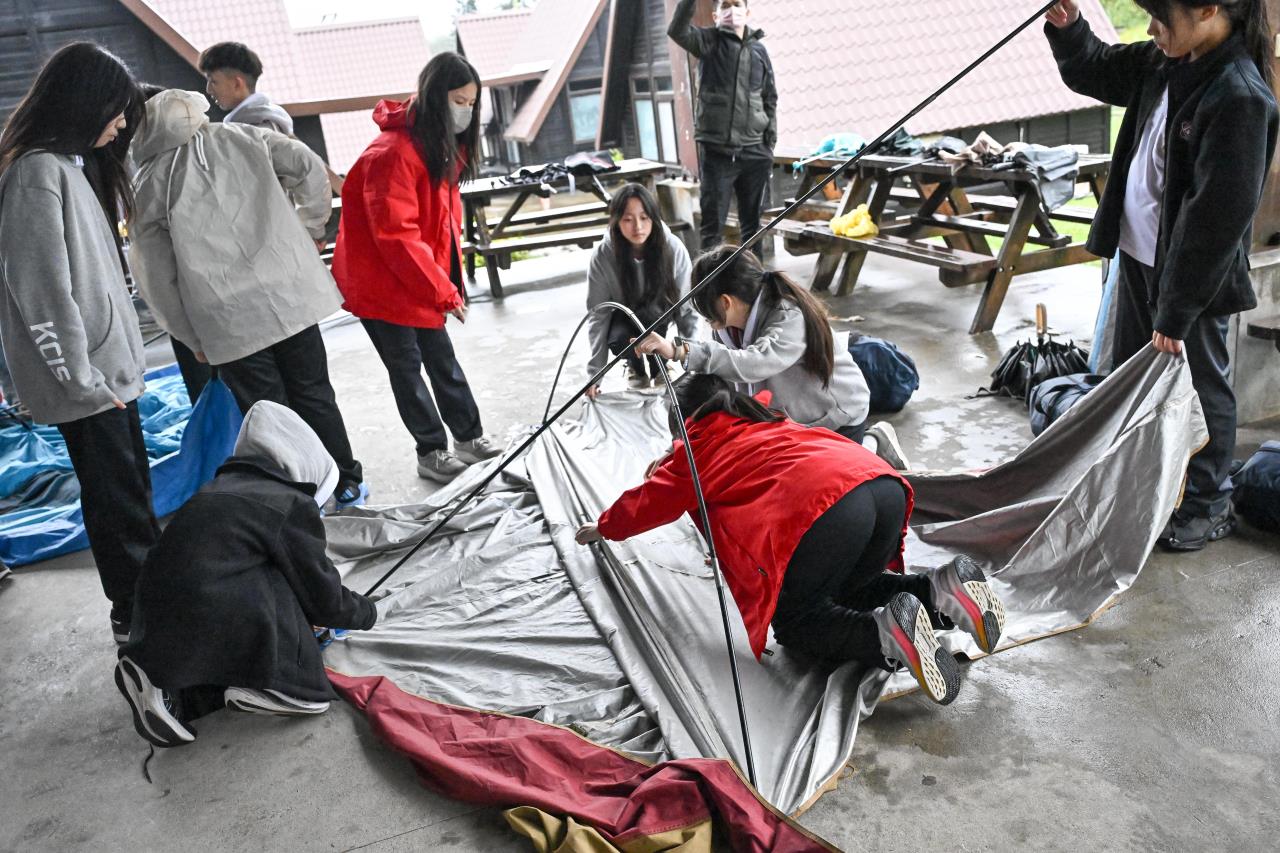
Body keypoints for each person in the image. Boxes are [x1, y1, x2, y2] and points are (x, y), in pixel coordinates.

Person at [575, 374, 1005, 704]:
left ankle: (885, 634)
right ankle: (940, 589)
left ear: (683, 426)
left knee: (797, 620)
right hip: (883, 487)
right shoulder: (769, 420)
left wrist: (603, 527)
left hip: (828, 512)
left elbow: (648, 503)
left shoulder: (696, 454)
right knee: (849, 585)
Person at [1045, 0, 1278, 551]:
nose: (1150, 29)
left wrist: (1176, 311)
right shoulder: (1164, 60)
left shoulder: (1240, 96)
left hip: (1191, 280)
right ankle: (1147, 487)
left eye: (1159, 16)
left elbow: (1216, 222)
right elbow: (1096, 68)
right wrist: (1069, 28)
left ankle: (1207, 502)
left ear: (1208, 9)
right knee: (1136, 382)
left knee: (1200, 388)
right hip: (1139, 256)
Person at [129, 88, 368, 508]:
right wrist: (311, 226)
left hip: (225, 315)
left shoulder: (149, 183)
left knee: (268, 412)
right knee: (314, 392)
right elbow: (307, 166)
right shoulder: (242, 136)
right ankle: (345, 481)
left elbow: (155, 277)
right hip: (289, 294)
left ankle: (301, 497)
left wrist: (189, 335)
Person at [0, 43, 157, 643]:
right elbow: (41, 291)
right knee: (117, 504)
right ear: (83, 103)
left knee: (131, 495)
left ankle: (150, 603)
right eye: (115, 111)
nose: (119, 125)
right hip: (88, 384)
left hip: (108, 376)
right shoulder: (35, 173)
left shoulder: (69, 167)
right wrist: (80, 381)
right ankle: (135, 617)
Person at [114, 401, 378, 747]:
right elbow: (321, 592)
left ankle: (155, 677)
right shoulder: (289, 503)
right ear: (306, 461)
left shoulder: (213, 491)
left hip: (152, 617)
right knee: (280, 582)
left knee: (225, 591)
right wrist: (365, 611)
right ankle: (273, 685)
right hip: (218, 606)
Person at [332, 53, 501, 483]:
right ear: (434, 97)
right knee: (407, 370)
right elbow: (397, 237)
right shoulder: (392, 154)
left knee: (442, 360)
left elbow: (440, 226)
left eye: (471, 103)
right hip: (381, 284)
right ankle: (431, 451)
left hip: (416, 276)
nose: (465, 111)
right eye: (458, 101)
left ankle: (468, 436)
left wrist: (444, 283)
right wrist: (443, 291)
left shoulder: (439, 146)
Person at [634, 245, 909, 468]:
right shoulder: (726, 328)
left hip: (836, 417)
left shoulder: (789, 316)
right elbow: (713, 390)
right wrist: (677, 450)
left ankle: (875, 441)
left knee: (846, 477)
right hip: (796, 418)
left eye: (706, 309)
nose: (706, 319)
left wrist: (679, 350)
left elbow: (754, 363)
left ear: (726, 302)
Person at [669, 0, 778, 258]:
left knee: (753, 227)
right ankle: (711, 280)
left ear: (747, 12)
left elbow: (769, 97)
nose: (732, 10)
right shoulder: (707, 41)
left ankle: (753, 277)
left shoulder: (759, 50)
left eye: (737, 4)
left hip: (755, 152)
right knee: (712, 228)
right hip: (718, 153)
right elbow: (676, 30)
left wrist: (769, 143)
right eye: (725, 6)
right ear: (716, 15)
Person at [585, 183, 698, 395]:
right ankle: (635, 369)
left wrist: (692, 361)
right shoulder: (603, 255)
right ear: (616, 220)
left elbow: (688, 309)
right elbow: (598, 315)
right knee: (619, 338)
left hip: (661, 314)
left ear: (654, 218)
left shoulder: (673, 248)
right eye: (628, 219)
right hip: (624, 317)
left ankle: (660, 367)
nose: (638, 226)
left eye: (644, 218)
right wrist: (594, 376)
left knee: (653, 316)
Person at [199, 42, 293, 135]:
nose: (208, 90)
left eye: (213, 81)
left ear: (237, 84)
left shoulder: (255, 133)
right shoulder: (269, 122)